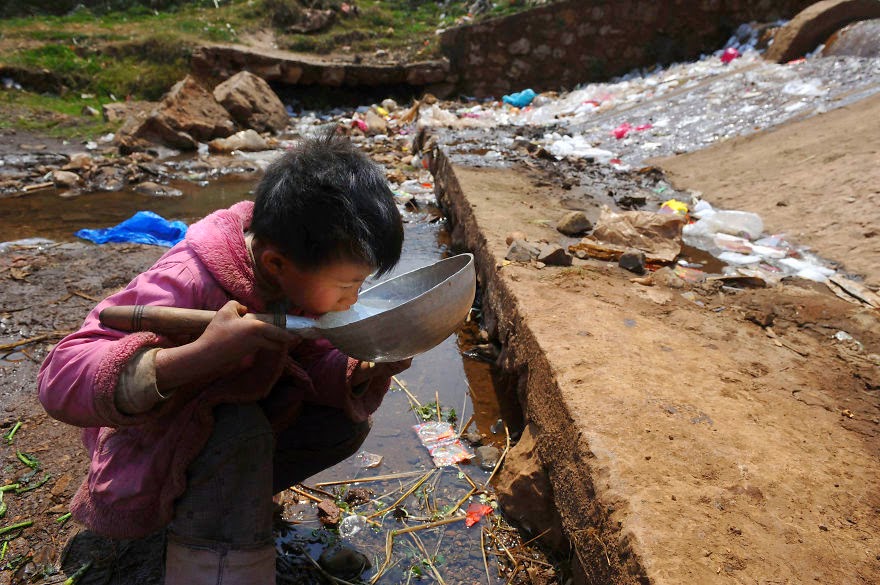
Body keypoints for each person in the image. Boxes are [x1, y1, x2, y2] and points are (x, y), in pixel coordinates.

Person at [38, 132, 412, 584]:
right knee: (240, 430)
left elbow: (311, 357)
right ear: (275, 264)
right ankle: (205, 554)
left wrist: (362, 368)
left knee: (341, 423)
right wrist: (201, 355)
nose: (352, 299)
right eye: (347, 285)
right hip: (154, 443)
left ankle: (231, 503)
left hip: (226, 432)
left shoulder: (298, 273)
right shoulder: (188, 277)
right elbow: (60, 375)